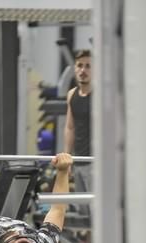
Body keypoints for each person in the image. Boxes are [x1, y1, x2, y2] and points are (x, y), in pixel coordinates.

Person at [64, 49, 92, 217]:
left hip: (96, 162)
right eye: (80, 66)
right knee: (84, 213)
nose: (83, 70)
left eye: (88, 66)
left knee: (98, 212)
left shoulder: (101, 95)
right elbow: (70, 127)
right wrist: (67, 158)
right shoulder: (71, 94)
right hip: (79, 161)